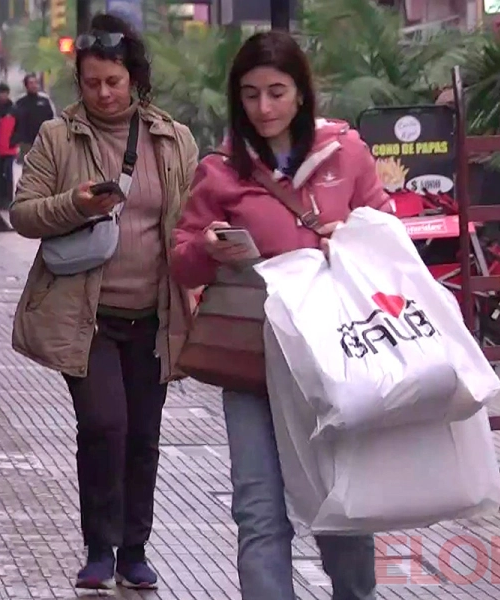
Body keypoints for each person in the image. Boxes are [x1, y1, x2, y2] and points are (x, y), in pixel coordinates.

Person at [170, 31, 394, 600]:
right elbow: (181, 260)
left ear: (301, 93)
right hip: (253, 360)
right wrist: (209, 249)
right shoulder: (221, 169)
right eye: (249, 94)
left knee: (340, 505)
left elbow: (394, 242)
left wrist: (350, 237)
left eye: (276, 92)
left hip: (335, 359)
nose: (263, 108)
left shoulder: (346, 153)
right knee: (258, 508)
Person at [8, 12, 198, 592]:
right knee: (103, 425)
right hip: (87, 317)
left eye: (113, 82)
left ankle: (134, 549)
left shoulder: (173, 139)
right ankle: (99, 546)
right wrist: (77, 204)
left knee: (143, 434)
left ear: (134, 79)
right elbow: (23, 213)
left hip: (156, 316)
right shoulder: (57, 137)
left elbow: (190, 220)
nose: (103, 93)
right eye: (91, 83)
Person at [12, 73, 56, 164]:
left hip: (42, 140)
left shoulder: (44, 101)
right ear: (26, 85)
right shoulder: (20, 102)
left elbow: (52, 118)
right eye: (31, 83)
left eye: (35, 83)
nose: (34, 85)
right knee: (28, 166)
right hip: (26, 142)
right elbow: (15, 122)